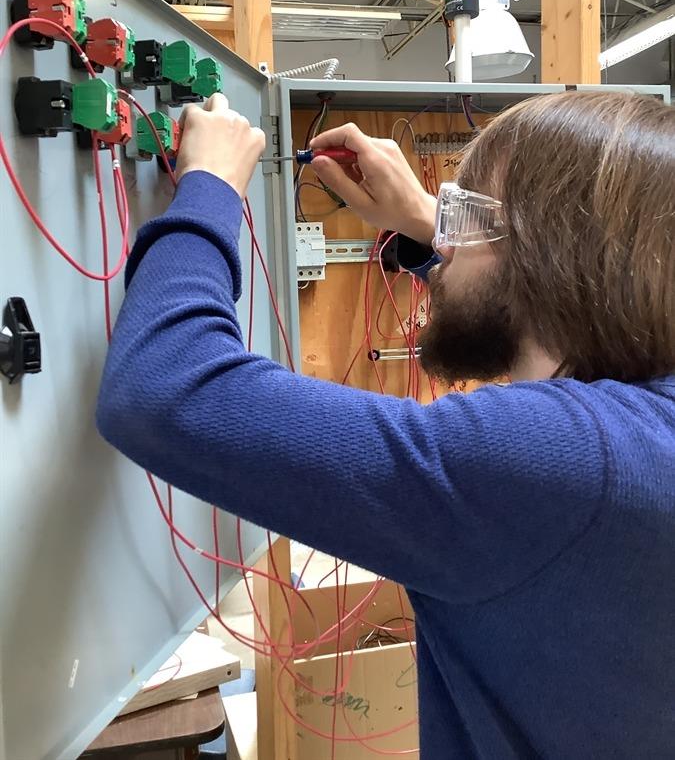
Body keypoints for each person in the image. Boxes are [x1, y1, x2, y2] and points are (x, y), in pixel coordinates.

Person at [97, 90, 674, 759]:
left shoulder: (558, 464)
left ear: (550, 253)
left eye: (468, 213)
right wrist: (430, 223)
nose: (445, 241)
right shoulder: (638, 427)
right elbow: (527, 305)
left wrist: (208, 189)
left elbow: (166, 389)